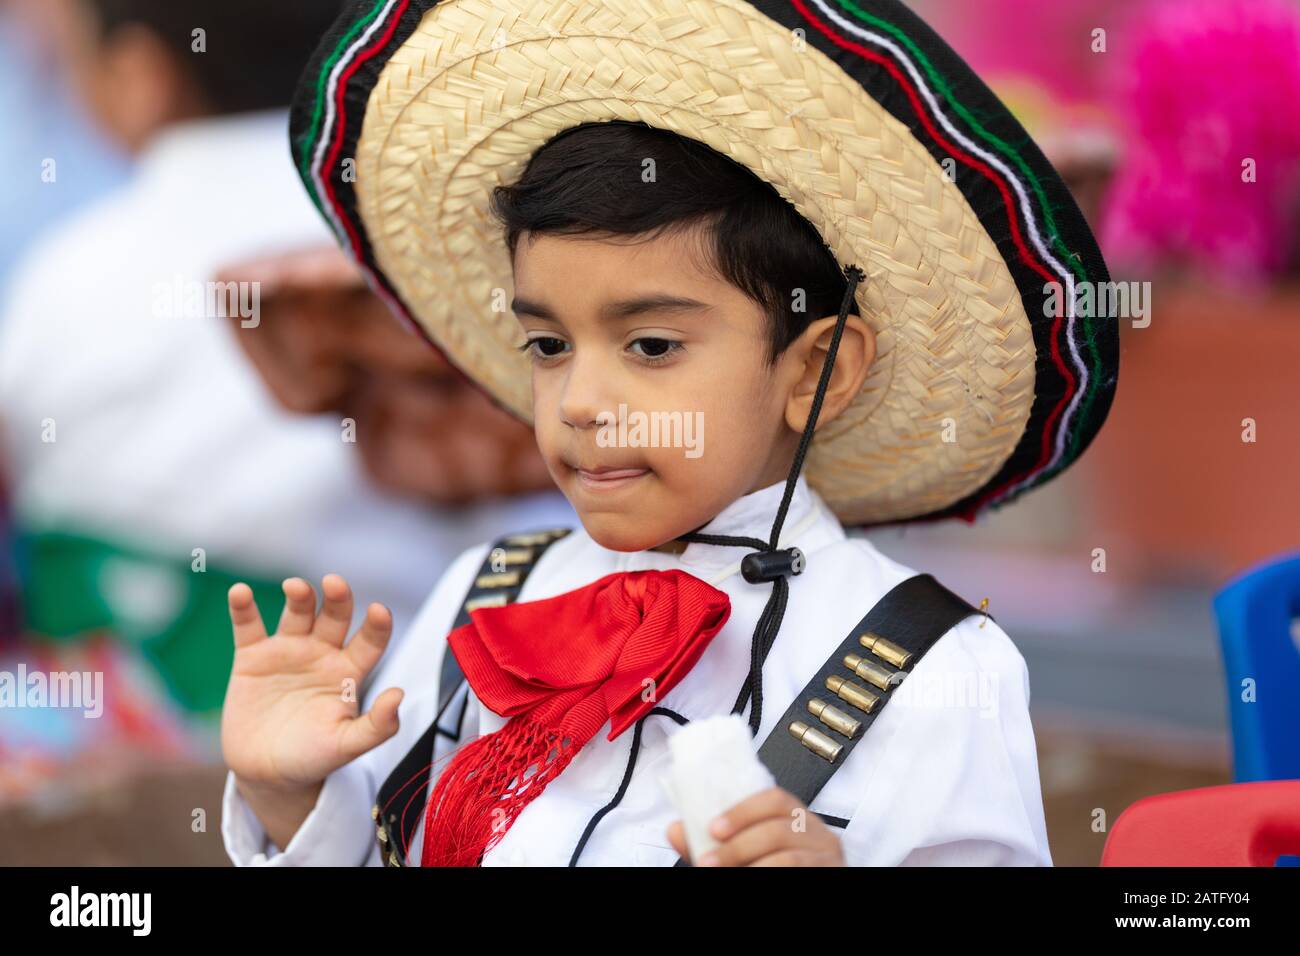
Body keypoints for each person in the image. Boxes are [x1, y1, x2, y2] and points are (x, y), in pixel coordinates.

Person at [220, 0, 1119, 866]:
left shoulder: (934, 668)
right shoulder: (482, 599)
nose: (578, 401)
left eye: (651, 345)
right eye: (548, 344)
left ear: (815, 372)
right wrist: (291, 798)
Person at [0, 0, 570, 719]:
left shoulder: (68, 272)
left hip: (117, 730)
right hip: (427, 704)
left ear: (140, 77)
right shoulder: (432, 242)